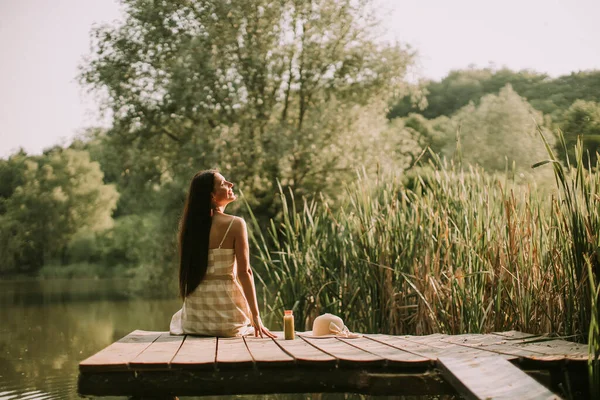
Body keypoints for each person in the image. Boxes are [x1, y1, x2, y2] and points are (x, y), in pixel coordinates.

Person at [170, 170, 275, 338]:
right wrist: (256, 317)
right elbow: (245, 272)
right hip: (228, 324)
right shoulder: (235, 224)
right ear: (212, 195)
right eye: (224, 183)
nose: (230, 185)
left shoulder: (190, 228)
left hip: (195, 323)